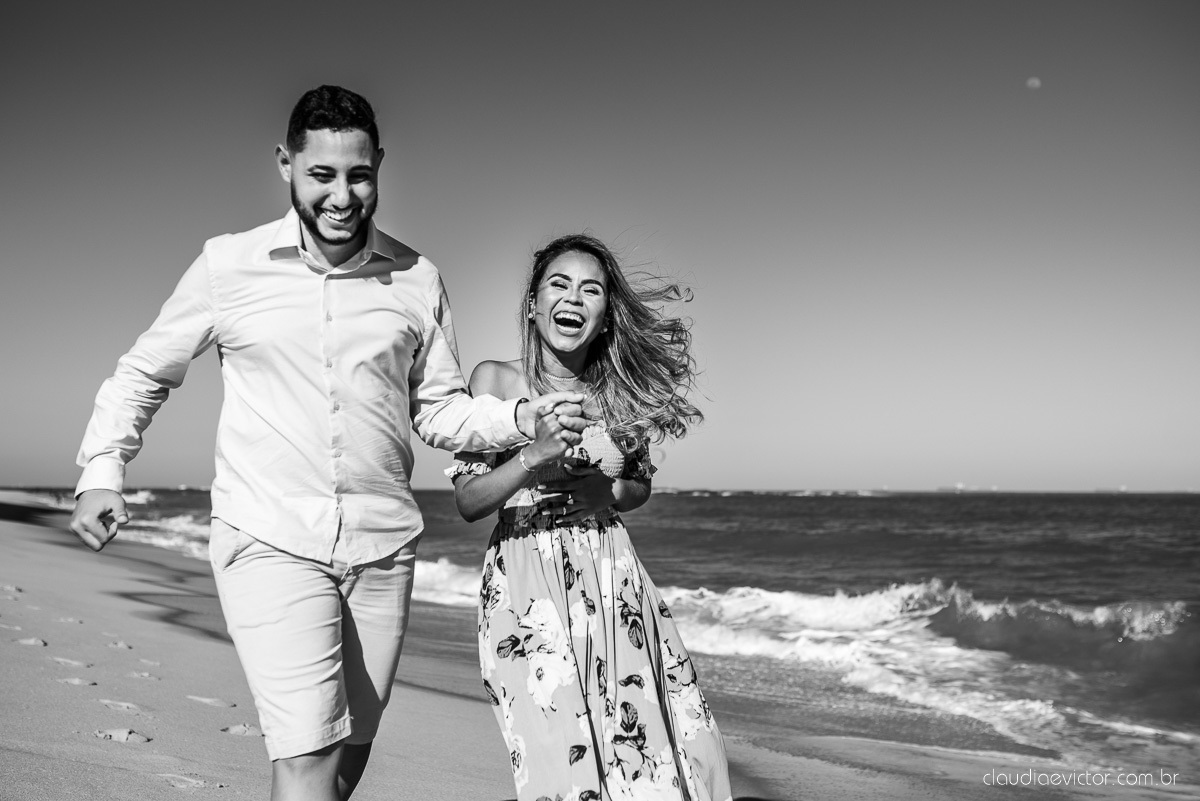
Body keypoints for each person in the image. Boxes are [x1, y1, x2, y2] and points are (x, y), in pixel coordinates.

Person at [68, 85, 587, 801]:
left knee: (344, 761)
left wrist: (520, 419)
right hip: (268, 534)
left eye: (358, 174)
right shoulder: (229, 265)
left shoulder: (416, 277)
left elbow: (439, 411)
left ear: (379, 166)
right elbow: (143, 373)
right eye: (321, 175)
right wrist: (103, 469)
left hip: (382, 546)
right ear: (286, 165)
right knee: (307, 755)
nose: (342, 195)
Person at [448, 234, 732, 801]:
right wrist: (532, 458)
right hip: (526, 585)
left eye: (590, 288)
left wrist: (606, 492)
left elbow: (638, 487)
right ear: (533, 304)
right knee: (560, 759)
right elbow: (469, 501)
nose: (572, 297)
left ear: (604, 317)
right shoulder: (495, 381)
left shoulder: (621, 394)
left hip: (612, 580)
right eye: (558, 283)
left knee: (655, 746)